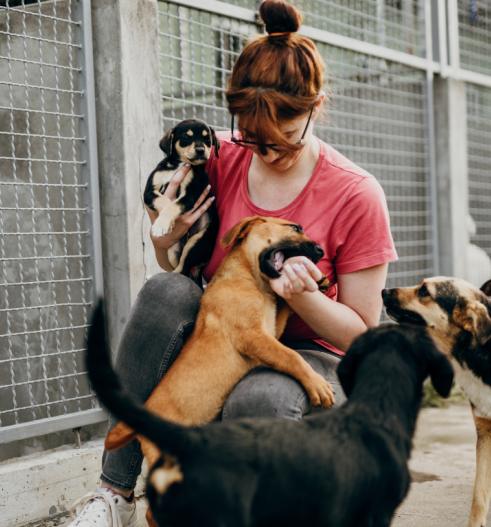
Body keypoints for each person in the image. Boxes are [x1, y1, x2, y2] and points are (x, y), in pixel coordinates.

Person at [66, 1, 397, 526]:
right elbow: (179, 268)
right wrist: (165, 239)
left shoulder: (356, 194)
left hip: (312, 353)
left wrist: (303, 296)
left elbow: (362, 334)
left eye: (281, 142)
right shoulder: (219, 154)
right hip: (221, 333)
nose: (263, 153)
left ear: (316, 107)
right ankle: (115, 493)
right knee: (163, 291)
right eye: (250, 138)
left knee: (260, 397)